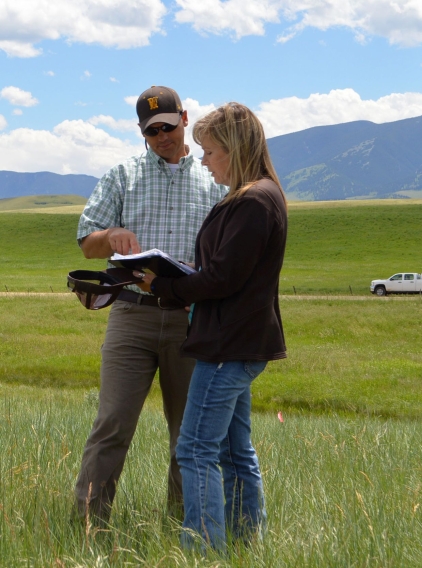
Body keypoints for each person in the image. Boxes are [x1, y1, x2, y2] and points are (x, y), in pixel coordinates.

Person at [134, 102, 287, 552]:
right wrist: (183, 276)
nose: (203, 161)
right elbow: (226, 269)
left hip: (227, 346)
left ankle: (204, 550)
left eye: (210, 152)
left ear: (235, 150)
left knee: (196, 449)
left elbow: (223, 278)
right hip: (240, 342)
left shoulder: (253, 201)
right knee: (233, 451)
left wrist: (165, 286)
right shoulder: (257, 195)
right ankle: (243, 544)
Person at [73, 85, 227, 523]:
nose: (162, 136)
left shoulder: (212, 179)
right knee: (113, 426)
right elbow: (87, 241)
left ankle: (183, 530)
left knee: (189, 437)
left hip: (191, 321)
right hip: (131, 315)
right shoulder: (122, 175)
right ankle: (86, 525)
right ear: (142, 132)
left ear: (184, 117)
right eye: (151, 130)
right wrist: (111, 236)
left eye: (168, 125)